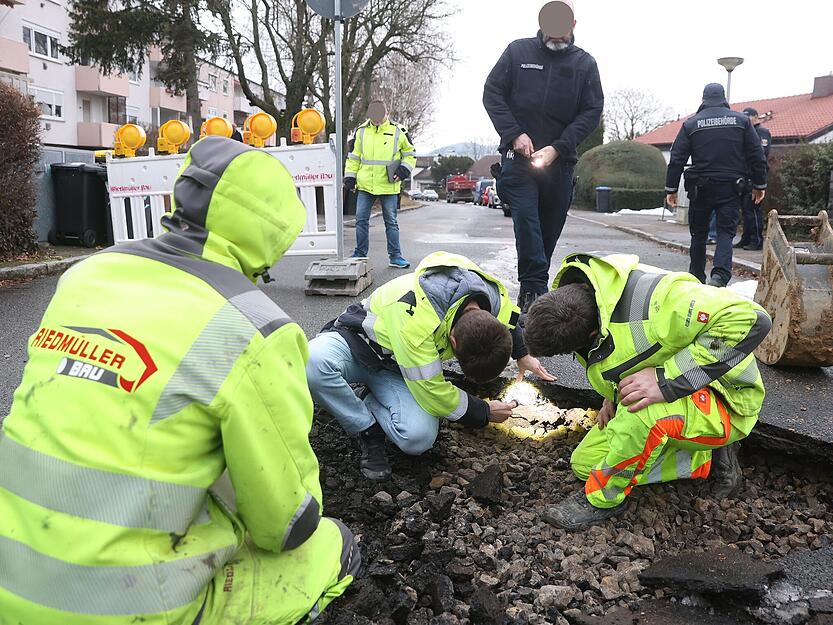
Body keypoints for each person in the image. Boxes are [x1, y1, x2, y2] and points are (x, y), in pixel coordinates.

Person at [0, 137, 360, 625]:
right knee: (332, 545)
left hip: (9, 583)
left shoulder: (87, 274)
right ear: (274, 231)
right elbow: (285, 526)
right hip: (126, 609)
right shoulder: (255, 327)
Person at [522, 252, 772, 530]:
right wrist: (612, 391)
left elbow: (753, 319)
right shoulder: (593, 296)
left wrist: (664, 381)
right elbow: (634, 351)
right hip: (687, 396)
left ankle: (604, 500)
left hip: (727, 399)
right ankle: (702, 459)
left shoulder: (665, 303)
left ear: (591, 336)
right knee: (585, 465)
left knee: (640, 413)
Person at [306, 251, 555, 481]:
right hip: (356, 344)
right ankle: (366, 428)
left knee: (418, 439)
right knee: (312, 362)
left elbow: (511, 320)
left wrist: (522, 355)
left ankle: (369, 398)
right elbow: (433, 393)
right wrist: (485, 411)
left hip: (396, 371)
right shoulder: (418, 322)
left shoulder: (491, 298)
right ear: (454, 341)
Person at [483, 0, 604, 312]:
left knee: (546, 236)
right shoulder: (517, 52)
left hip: (560, 164)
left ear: (573, 25)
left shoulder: (584, 64)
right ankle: (535, 298)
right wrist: (514, 134)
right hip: (518, 161)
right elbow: (492, 93)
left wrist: (559, 147)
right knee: (527, 222)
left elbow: (591, 111)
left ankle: (531, 289)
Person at [666, 83, 767, 288]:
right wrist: (759, 184)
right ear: (724, 98)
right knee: (725, 232)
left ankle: (695, 275)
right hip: (731, 187)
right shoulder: (741, 121)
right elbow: (756, 155)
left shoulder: (691, 124)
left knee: (699, 234)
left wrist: (671, 189)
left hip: (700, 187)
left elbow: (677, 158)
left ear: (703, 99)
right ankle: (720, 276)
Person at [345, 100, 417, 269]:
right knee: (361, 220)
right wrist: (350, 177)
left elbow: (410, 154)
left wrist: (404, 170)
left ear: (387, 114)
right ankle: (360, 254)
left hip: (388, 185)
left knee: (391, 221)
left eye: (380, 117)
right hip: (365, 185)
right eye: (373, 117)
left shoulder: (399, 131)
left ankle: (396, 256)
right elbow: (354, 157)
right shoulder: (361, 132)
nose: (376, 121)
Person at [734, 107, 772, 251]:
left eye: (747, 117)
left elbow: (761, 154)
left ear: (755, 117)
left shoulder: (761, 132)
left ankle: (756, 240)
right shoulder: (745, 132)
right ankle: (745, 239)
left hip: (754, 177)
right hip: (744, 176)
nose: (745, 119)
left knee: (753, 210)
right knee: (745, 210)